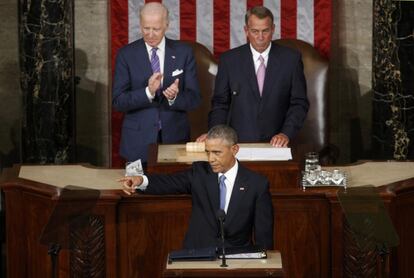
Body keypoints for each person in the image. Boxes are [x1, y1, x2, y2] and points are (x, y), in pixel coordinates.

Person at [120, 125, 273, 250]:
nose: (211, 159)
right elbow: (168, 182)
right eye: (208, 152)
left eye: (217, 153)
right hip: (197, 254)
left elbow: (263, 235)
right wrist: (140, 180)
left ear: (234, 150)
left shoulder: (256, 184)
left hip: (237, 259)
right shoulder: (200, 173)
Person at [197, 6, 309, 148]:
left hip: (278, 143)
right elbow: (220, 103)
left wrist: (285, 133)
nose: (260, 37)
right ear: (246, 31)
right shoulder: (229, 60)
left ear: (273, 29)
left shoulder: (291, 59)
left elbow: (299, 103)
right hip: (237, 143)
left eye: (265, 31)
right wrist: (215, 133)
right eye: (255, 31)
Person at [112, 2, 201, 163]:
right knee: (137, 188)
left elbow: (194, 99)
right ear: (140, 25)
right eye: (146, 28)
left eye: (156, 29)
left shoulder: (183, 52)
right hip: (137, 143)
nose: (151, 34)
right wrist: (148, 92)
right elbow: (118, 102)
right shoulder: (126, 55)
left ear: (166, 25)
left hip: (175, 140)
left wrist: (174, 97)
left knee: (175, 188)